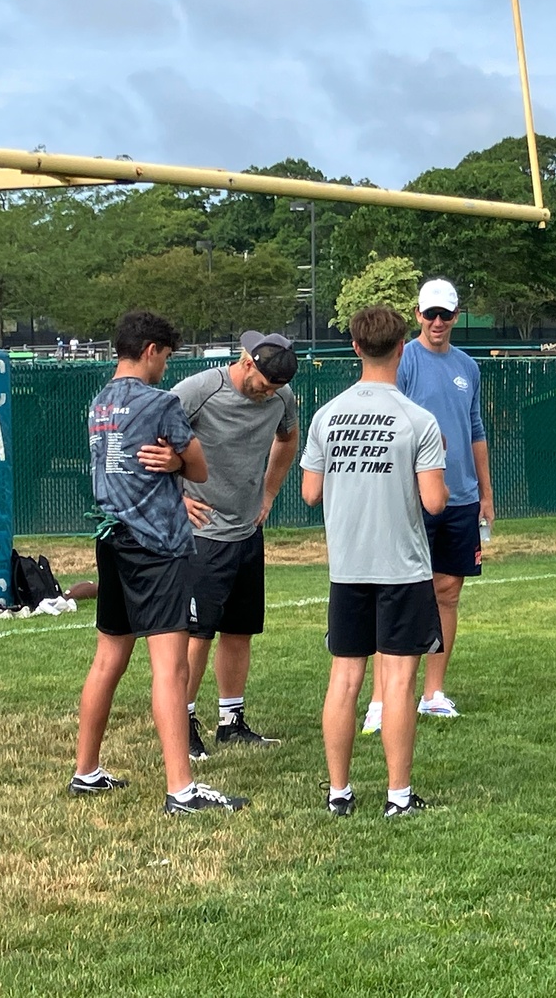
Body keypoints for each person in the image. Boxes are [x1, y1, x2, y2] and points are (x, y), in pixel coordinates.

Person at [70, 310, 248, 815]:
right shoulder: (160, 403)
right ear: (150, 349)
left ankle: (86, 771)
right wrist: (176, 462)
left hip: (112, 539)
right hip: (158, 546)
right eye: (166, 357)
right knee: (169, 668)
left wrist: (170, 462)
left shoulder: (100, 402)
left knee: (108, 659)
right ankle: (181, 789)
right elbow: (199, 465)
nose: (166, 368)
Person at [302, 304, 448, 818]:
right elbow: (435, 502)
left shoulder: (326, 414)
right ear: (403, 348)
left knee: (344, 678)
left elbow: (310, 492)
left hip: (347, 567)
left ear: (356, 348)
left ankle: (339, 793)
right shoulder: (418, 420)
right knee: (401, 682)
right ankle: (397, 796)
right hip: (402, 567)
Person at [362, 278, 492, 732]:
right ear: (417, 315)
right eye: (430, 314)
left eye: (446, 315)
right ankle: (381, 699)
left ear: (457, 317)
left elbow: (475, 429)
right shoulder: (404, 359)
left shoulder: (468, 367)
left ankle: (433, 692)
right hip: (411, 495)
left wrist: (485, 495)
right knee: (396, 594)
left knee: (447, 592)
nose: (437, 322)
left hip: (460, 498)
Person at [172, 330, 300, 761]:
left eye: (276, 389)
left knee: (239, 629)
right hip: (203, 534)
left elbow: (287, 439)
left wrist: (268, 494)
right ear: (247, 363)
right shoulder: (200, 391)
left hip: (247, 531)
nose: (268, 394)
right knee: (196, 634)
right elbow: (150, 437)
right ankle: (183, 723)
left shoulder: (282, 399)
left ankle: (231, 721)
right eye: (264, 384)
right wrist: (175, 497)